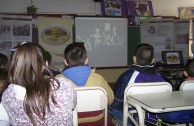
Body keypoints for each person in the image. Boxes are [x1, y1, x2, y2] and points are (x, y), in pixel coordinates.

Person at [1, 42, 76, 125]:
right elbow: (72, 105)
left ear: (14, 67)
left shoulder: (9, 93)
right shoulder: (64, 85)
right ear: (46, 64)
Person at [56, 42, 114, 125]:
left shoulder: (57, 81)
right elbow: (110, 100)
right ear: (86, 60)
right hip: (98, 123)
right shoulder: (98, 79)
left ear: (65, 61)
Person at [109, 43, 167, 125]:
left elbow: (116, 103)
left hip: (134, 118)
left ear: (134, 59)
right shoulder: (162, 77)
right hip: (158, 118)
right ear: (152, 60)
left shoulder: (126, 76)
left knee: (111, 108)